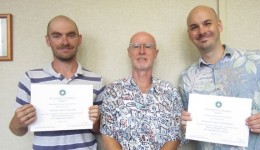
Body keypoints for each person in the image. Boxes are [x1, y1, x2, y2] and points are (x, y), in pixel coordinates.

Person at [179, 5, 260, 150]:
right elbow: (187, 127)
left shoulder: (255, 60)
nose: (202, 31)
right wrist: (185, 125)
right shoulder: (186, 78)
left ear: (219, 25)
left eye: (207, 23)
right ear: (190, 34)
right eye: (194, 27)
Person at [9, 15, 105, 150]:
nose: (64, 42)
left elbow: (100, 130)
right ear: (48, 40)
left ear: (79, 39)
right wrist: (18, 122)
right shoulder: (30, 78)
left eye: (71, 35)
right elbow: (17, 130)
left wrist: (96, 122)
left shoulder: (97, 80)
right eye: (57, 36)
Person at [100, 32, 182, 150]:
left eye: (148, 46)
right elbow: (107, 133)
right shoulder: (113, 91)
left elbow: (176, 134)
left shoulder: (170, 92)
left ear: (156, 53)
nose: (142, 51)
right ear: (129, 52)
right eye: (136, 46)